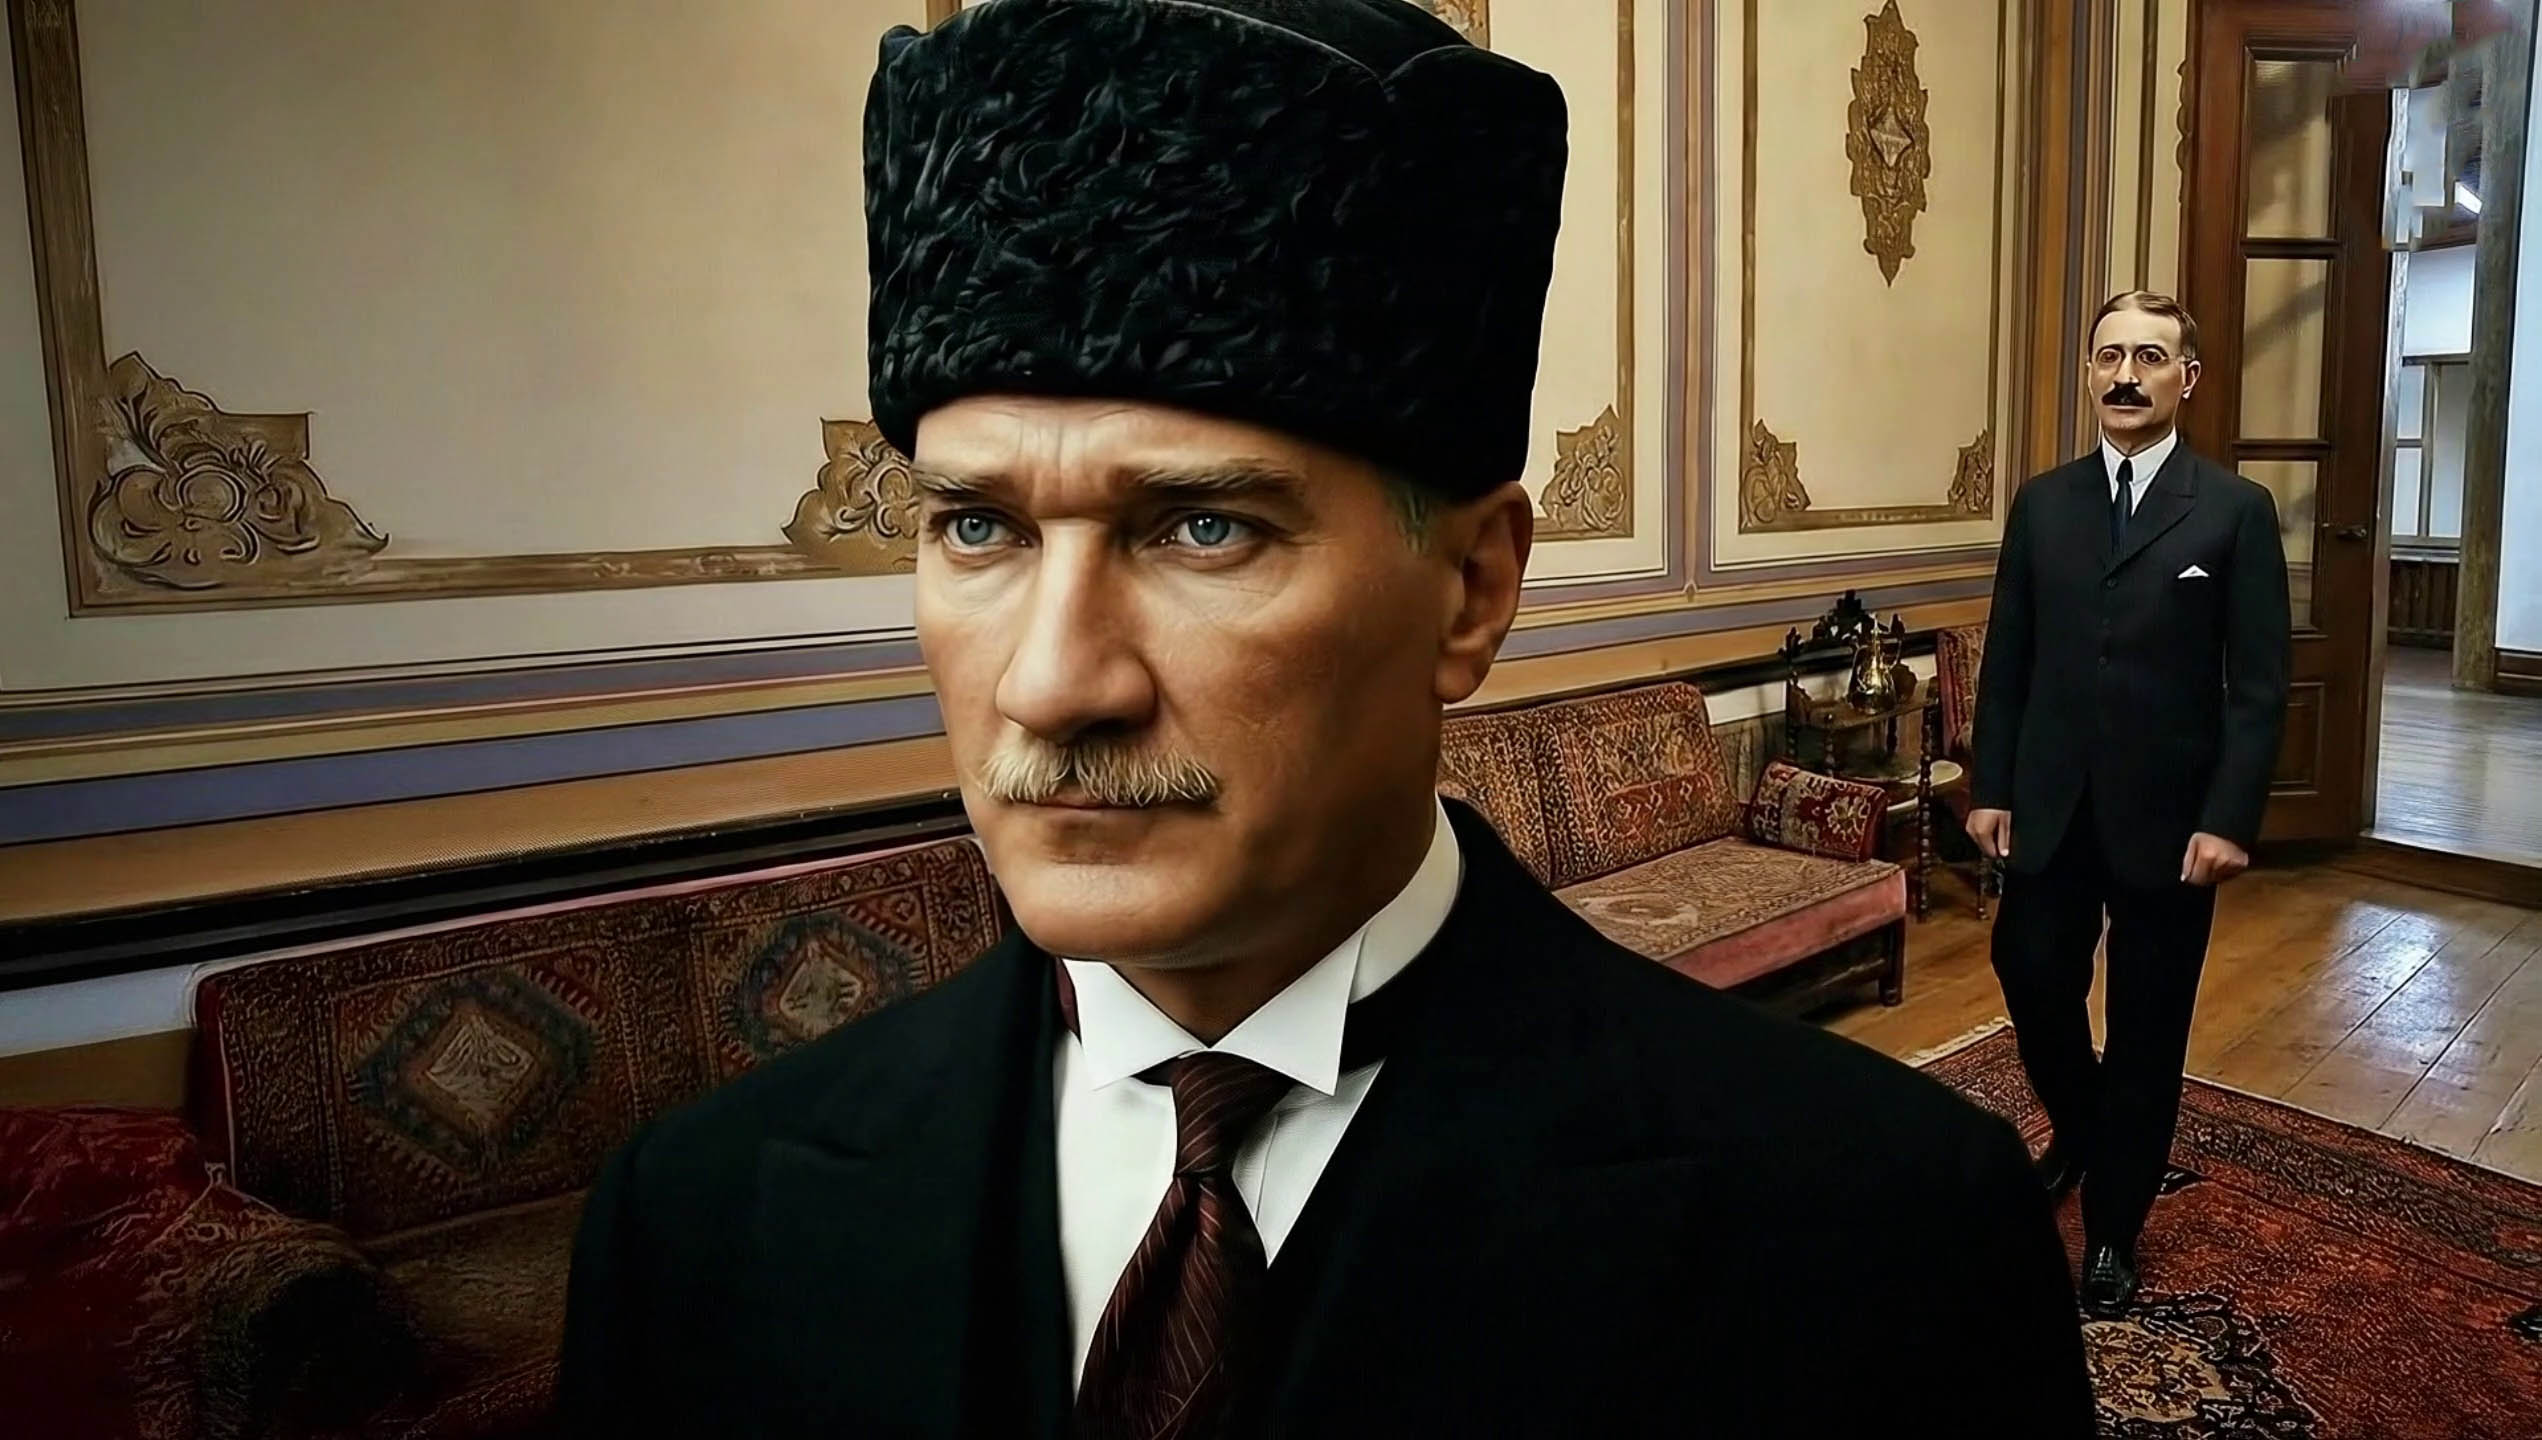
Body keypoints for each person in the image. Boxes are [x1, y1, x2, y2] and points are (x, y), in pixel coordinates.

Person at [559, 2, 2092, 1434]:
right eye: (978, 529)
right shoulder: (692, 1221)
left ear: (1469, 592)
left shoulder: (1876, 1242)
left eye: (1201, 530)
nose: (1048, 684)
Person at [1968, 290, 2292, 1318]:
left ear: (2185, 378)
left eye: (2149, 358)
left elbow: (2258, 687)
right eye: (2109, 355)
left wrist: (2229, 818)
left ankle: (2113, 1225)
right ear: (2088, 371)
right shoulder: (2042, 504)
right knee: (2029, 972)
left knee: (2149, 1027)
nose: (2125, 375)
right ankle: (2083, 1123)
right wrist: (1990, 787)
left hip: (2172, 824)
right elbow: (2009, 661)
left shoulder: (2234, 511)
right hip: (2050, 808)